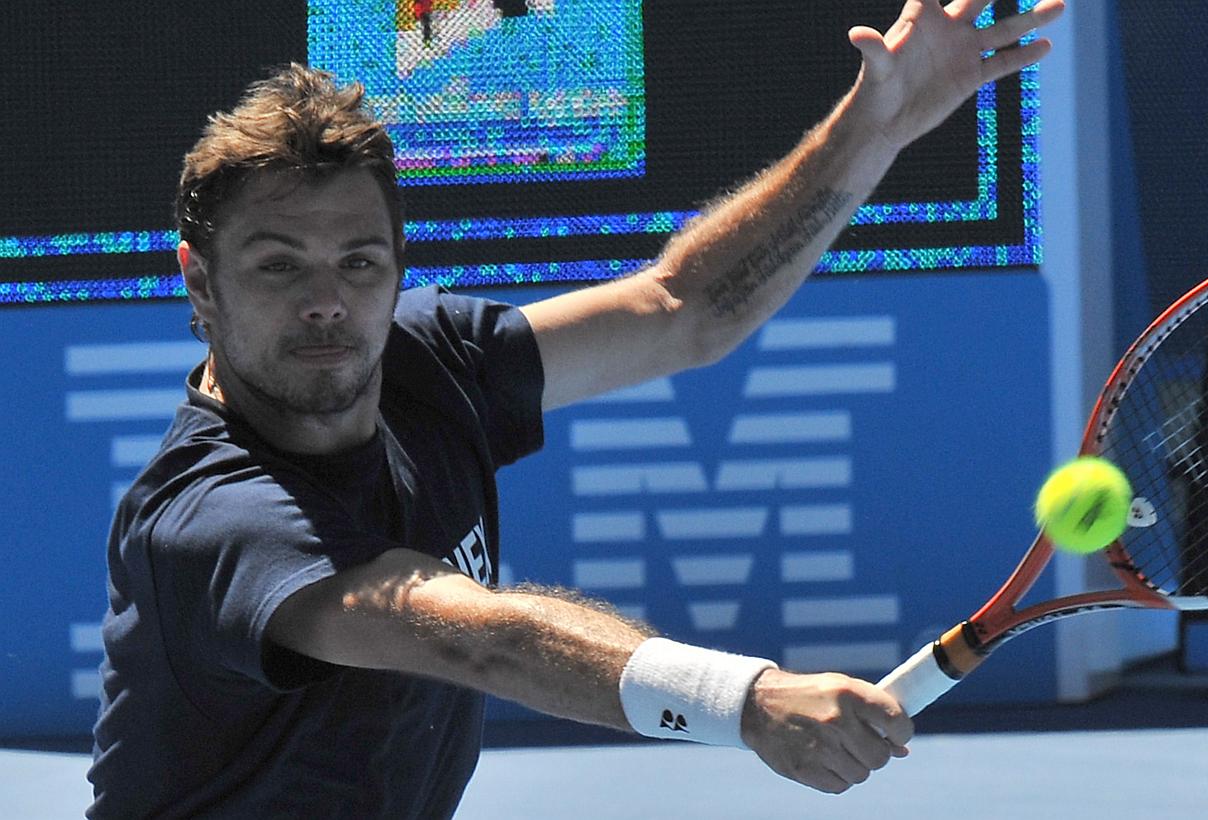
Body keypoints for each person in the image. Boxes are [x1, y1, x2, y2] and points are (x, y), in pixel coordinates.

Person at [86, 1, 1064, 815]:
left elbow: (684, 308)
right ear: (199, 283)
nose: (326, 301)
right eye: (276, 266)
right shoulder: (213, 518)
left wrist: (875, 130)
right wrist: (746, 698)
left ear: (397, 268)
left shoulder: (429, 361)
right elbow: (475, 634)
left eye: (358, 261)